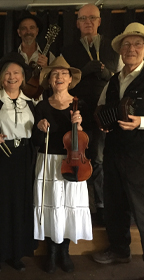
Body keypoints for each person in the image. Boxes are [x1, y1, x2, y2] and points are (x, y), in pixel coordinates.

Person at [61, 4, 121, 223]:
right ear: (77, 23)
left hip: (108, 113)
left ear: (99, 21)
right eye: (83, 18)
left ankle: (103, 205)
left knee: (102, 158)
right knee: (82, 157)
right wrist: (83, 73)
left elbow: (125, 78)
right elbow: (59, 81)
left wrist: (109, 74)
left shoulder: (114, 47)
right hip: (80, 111)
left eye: (92, 18)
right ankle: (80, 205)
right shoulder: (67, 50)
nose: (88, 22)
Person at [32, 56, 92, 273]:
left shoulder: (80, 105)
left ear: (70, 80)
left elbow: (89, 140)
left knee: (67, 206)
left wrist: (81, 125)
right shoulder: (40, 106)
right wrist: (39, 128)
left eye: (63, 74)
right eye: (54, 74)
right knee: (50, 205)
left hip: (74, 161)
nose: (59, 77)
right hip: (48, 162)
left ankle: (64, 251)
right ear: (49, 80)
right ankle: (52, 252)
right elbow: (36, 143)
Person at [92, 22, 144, 264]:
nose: (131, 49)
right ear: (121, 51)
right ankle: (119, 250)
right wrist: (102, 121)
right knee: (114, 204)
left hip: (140, 154)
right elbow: (101, 107)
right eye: (126, 45)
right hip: (113, 150)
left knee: (142, 209)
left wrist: (141, 122)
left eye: (137, 44)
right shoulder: (113, 80)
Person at [0, 52, 35, 272]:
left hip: (23, 159)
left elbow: (38, 134)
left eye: (16, 73)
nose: (12, 77)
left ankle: (16, 253)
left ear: (22, 77)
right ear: (1, 77)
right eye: (7, 74)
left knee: (19, 205)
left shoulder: (32, 102)